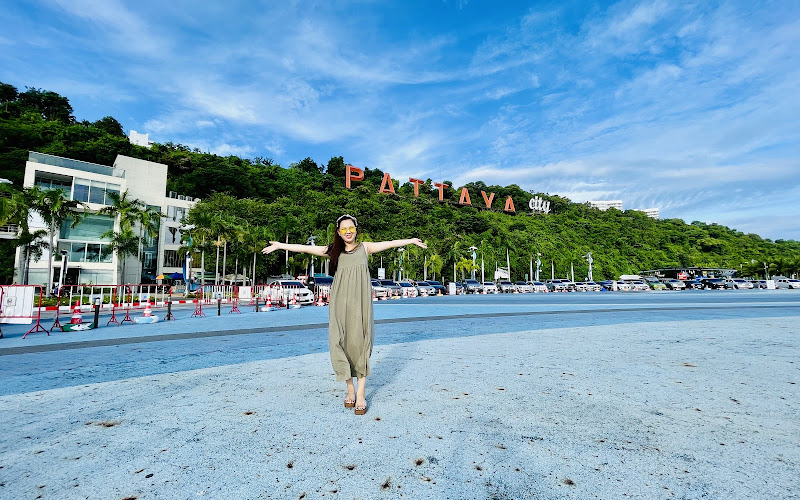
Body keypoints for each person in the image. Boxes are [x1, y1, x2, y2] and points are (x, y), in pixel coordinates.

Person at [261, 214, 426, 415]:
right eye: (344, 229)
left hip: (361, 302)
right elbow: (305, 248)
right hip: (340, 301)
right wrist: (280, 246)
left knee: (361, 341)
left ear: (356, 229)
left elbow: (389, 243)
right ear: (338, 232)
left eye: (351, 228)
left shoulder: (365, 248)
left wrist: (410, 240)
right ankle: (350, 389)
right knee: (338, 341)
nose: (348, 232)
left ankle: (361, 393)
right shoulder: (334, 251)